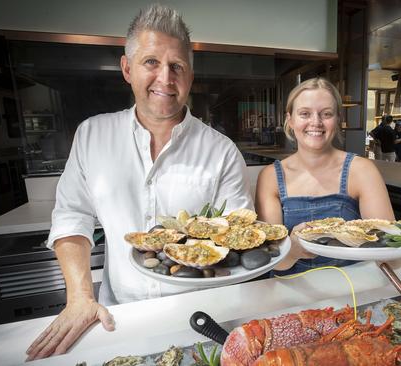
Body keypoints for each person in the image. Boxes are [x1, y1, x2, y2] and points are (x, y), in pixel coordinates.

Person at [25, 5, 253, 361]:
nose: (165, 78)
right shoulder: (92, 135)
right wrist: (80, 297)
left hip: (202, 318)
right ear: (127, 68)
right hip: (118, 318)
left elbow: (238, 237)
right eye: (151, 62)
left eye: (177, 66)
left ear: (190, 76)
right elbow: (72, 217)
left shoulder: (221, 151)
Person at [255, 77, 395, 274]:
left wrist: (397, 247)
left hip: (353, 288)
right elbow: (272, 262)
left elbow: (392, 256)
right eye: (305, 113)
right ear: (290, 120)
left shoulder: (362, 170)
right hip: (289, 291)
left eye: (326, 114)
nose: (316, 122)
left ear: (337, 119)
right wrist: (293, 250)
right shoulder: (270, 176)